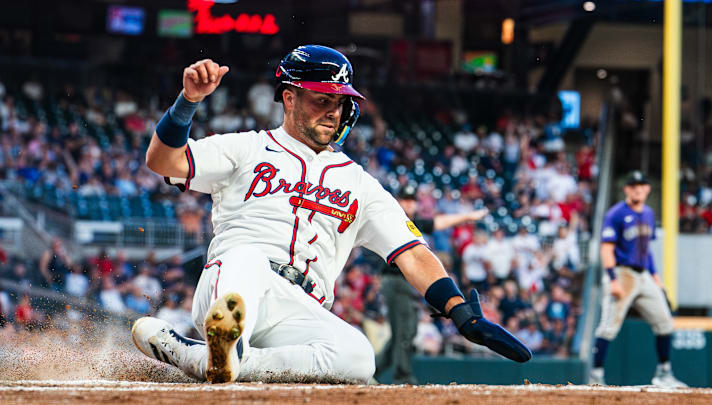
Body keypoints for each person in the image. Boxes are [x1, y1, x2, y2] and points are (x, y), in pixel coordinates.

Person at [131, 45, 531, 384]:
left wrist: (460, 312)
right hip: (237, 283)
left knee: (359, 357)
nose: (333, 112)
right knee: (247, 255)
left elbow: (412, 252)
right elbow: (162, 160)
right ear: (289, 98)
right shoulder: (245, 148)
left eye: (340, 102)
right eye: (322, 99)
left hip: (302, 305)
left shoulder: (360, 183)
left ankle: (202, 359)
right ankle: (225, 348)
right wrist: (188, 103)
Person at [374, 185, 487, 384]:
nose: (409, 204)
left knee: (405, 331)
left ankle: (373, 372)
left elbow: (439, 222)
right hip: (394, 281)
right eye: (404, 200)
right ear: (397, 202)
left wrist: (467, 216)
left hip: (403, 283)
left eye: (411, 200)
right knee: (405, 331)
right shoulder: (390, 219)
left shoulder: (412, 222)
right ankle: (403, 376)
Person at [589, 171, 686, 387]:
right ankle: (595, 376)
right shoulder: (616, 213)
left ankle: (664, 373)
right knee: (608, 327)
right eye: (633, 186)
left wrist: (656, 278)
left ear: (647, 189)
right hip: (622, 273)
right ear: (626, 189)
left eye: (641, 185)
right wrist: (612, 279)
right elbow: (607, 249)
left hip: (643, 275)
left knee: (665, 323)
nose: (638, 189)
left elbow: (646, 250)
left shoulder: (648, 213)